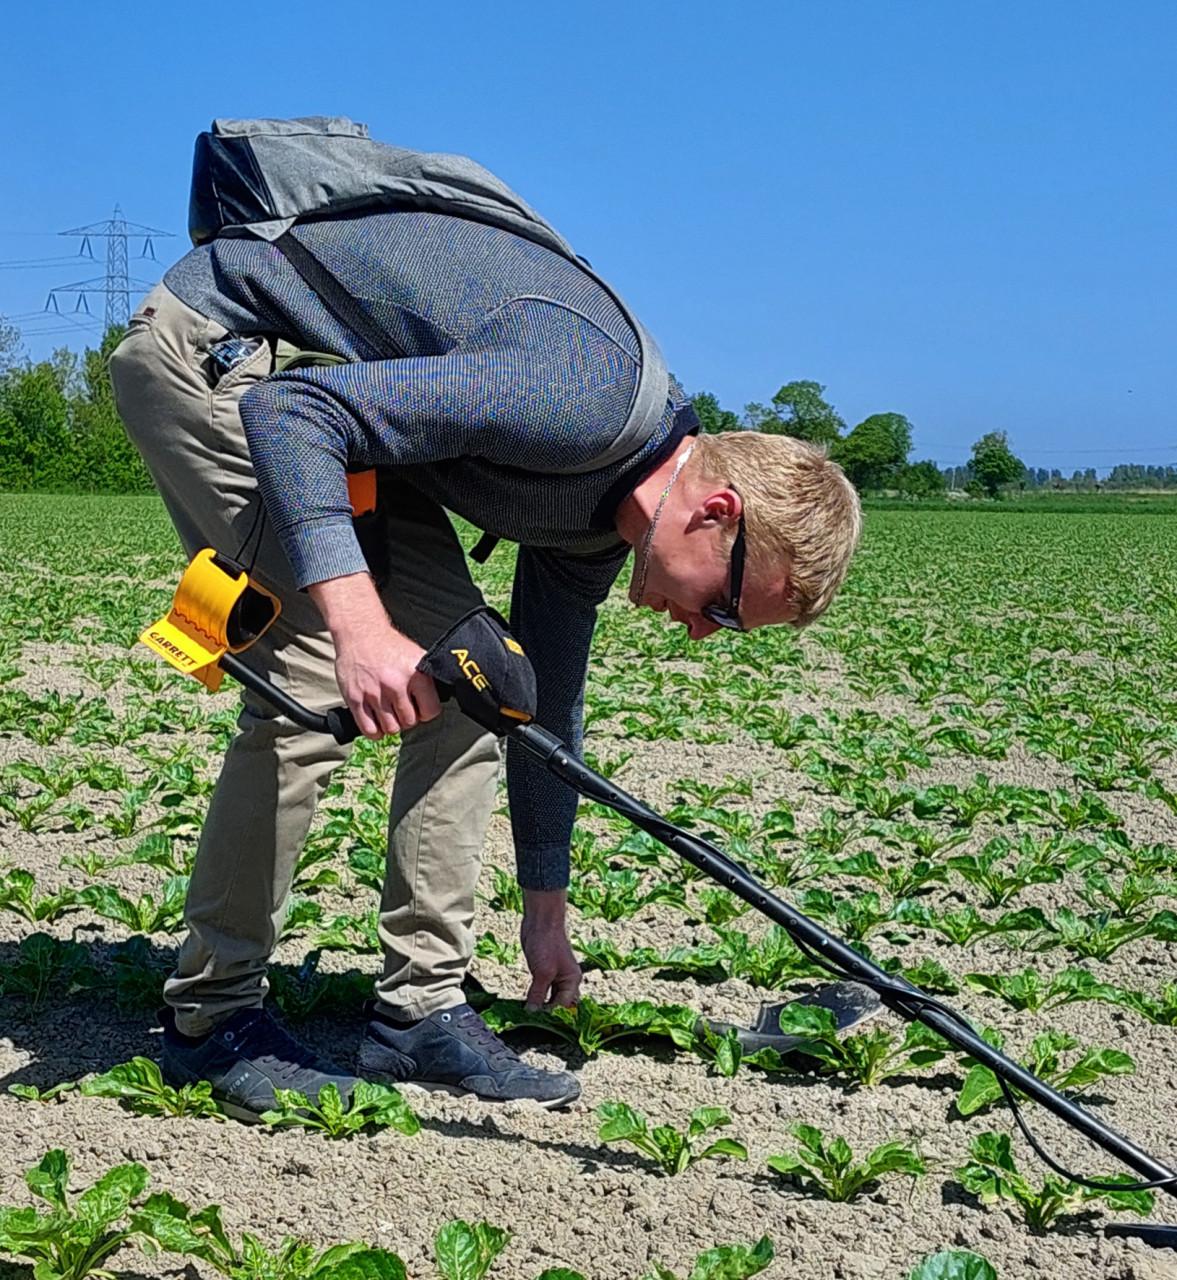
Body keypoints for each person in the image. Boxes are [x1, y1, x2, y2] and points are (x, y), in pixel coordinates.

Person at [108, 165, 861, 1123]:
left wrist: (543, 909)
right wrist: (360, 628)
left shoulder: (598, 526)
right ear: (715, 514)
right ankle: (211, 1022)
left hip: (339, 413)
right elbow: (293, 418)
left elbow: (538, 706)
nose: (696, 629)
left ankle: (419, 1009)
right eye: (720, 607)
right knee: (307, 683)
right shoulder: (583, 400)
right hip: (227, 363)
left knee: (478, 685)